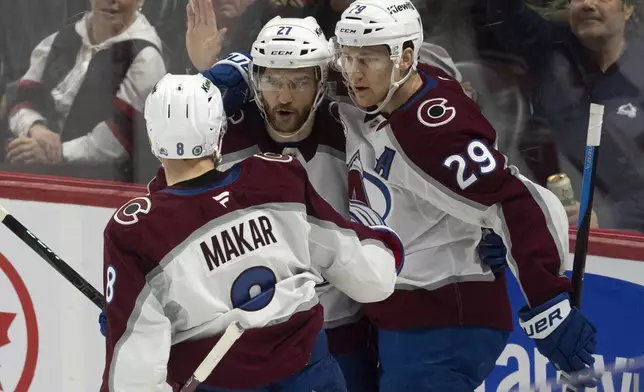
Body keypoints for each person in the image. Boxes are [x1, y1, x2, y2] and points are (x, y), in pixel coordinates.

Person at [331, 1, 597, 391]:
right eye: (347, 57)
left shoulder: (433, 130)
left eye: (367, 59)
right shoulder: (384, 91)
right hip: (400, 314)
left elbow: (516, 200)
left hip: (444, 320)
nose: (353, 73)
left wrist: (547, 301)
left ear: (406, 58)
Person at [100, 72, 404, 392]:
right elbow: (373, 279)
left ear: (152, 136)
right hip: (312, 378)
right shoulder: (275, 178)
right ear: (219, 129)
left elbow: (132, 378)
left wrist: (124, 317)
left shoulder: (137, 230)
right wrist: (386, 252)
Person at [484, 0, 644, 232]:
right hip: (536, 219)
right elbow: (508, 13)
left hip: (614, 245)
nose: (588, 4)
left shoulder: (638, 74)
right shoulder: (550, 47)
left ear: (628, 9)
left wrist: (608, 219)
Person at [5, 0, 166, 182]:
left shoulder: (146, 59)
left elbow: (120, 137)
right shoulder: (60, 40)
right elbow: (23, 99)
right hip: (33, 165)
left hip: (100, 186)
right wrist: (36, 128)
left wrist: (59, 153)